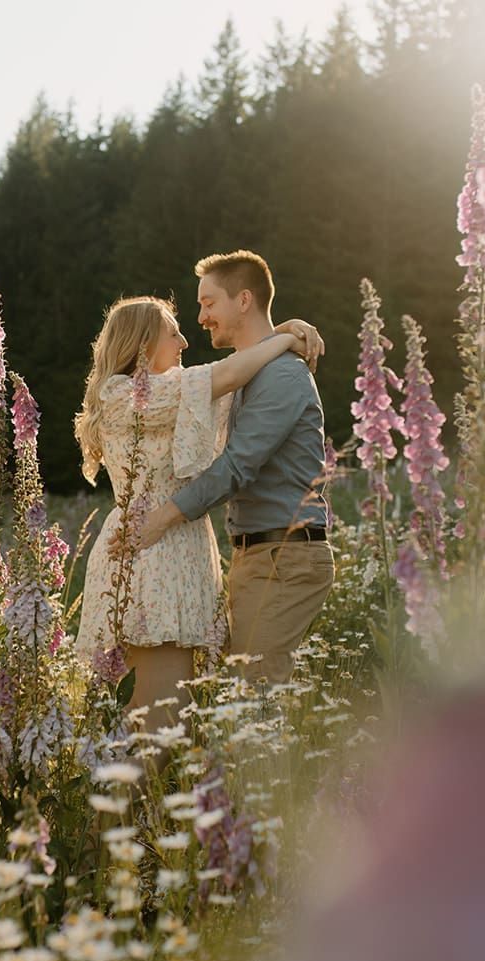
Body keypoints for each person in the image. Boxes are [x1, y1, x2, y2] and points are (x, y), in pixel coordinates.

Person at [72, 294, 323, 733]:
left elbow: (227, 380)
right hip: (152, 550)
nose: (186, 341)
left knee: (171, 719)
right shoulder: (124, 393)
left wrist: (280, 333)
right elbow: (226, 374)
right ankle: (116, 797)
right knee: (164, 721)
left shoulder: (172, 394)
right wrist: (283, 337)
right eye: (174, 333)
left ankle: (133, 800)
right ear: (144, 342)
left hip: (174, 547)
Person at [137, 250, 334, 685]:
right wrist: (285, 331)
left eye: (209, 303)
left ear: (243, 300)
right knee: (246, 699)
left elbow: (236, 467)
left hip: (285, 558)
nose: (201, 317)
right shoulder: (250, 373)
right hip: (257, 556)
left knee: (258, 700)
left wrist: (164, 518)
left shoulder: (282, 376)